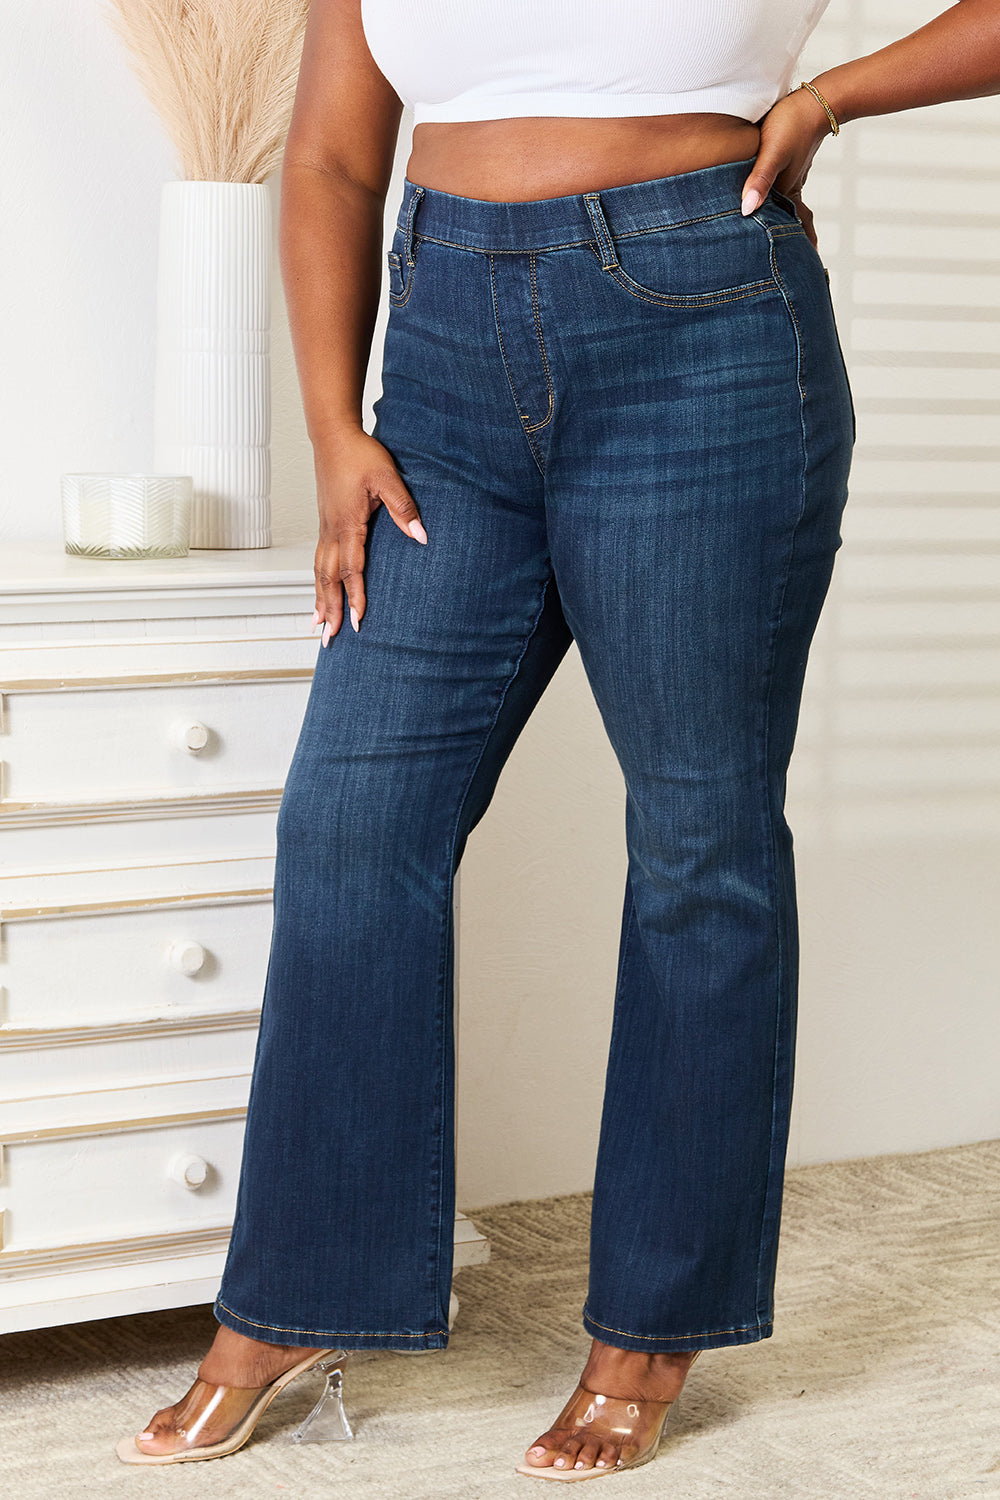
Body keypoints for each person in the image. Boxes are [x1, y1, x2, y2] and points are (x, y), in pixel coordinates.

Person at [116, 0, 1000, 1480]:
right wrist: (335, 425)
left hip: (706, 328)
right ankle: (300, 1293)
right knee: (352, 820)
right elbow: (336, 157)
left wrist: (835, 94)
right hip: (443, 352)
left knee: (699, 842)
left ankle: (653, 1324)